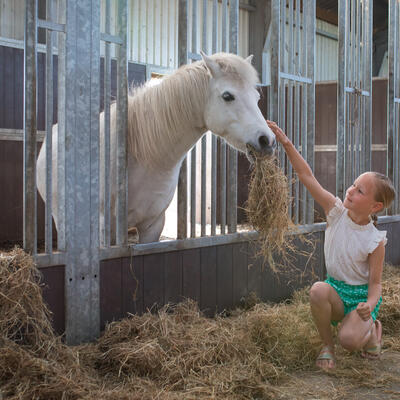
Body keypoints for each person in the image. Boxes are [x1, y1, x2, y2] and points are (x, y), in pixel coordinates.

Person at [267, 120, 396, 370]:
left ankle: (371, 331)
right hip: (336, 291)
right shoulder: (335, 212)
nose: (351, 191)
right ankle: (327, 346)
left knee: (350, 341)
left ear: (375, 206)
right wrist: (286, 143)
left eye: (360, 191)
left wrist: (369, 306)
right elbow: (307, 176)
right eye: (353, 185)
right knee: (318, 290)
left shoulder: (375, 240)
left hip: (360, 300)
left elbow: (376, 284)